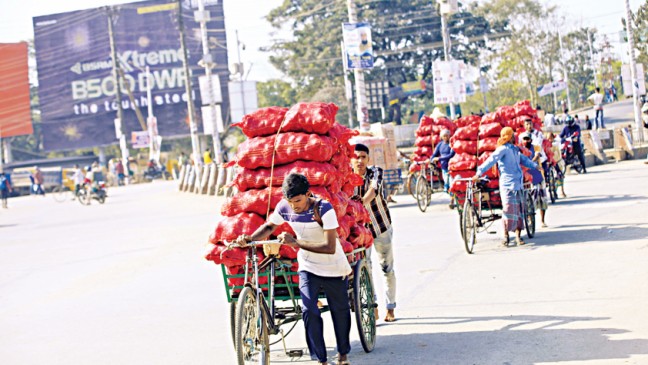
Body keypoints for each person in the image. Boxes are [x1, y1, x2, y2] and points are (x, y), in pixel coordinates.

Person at [236, 173, 352, 365]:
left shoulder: (324, 209)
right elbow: (269, 227)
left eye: (297, 200)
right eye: (290, 201)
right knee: (308, 310)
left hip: (333, 266)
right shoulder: (284, 207)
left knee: (340, 311)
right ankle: (321, 359)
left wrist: (295, 243)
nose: (294, 206)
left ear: (308, 194)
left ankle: (343, 354)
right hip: (308, 266)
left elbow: (330, 247)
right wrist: (249, 238)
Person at [351, 144, 397, 322]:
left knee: (387, 268)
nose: (360, 160)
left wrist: (360, 202)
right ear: (351, 159)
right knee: (366, 269)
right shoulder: (347, 178)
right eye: (356, 157)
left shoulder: (375, 172)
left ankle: (390, 307)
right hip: (361, 232)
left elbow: (374, 189)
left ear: (368, 159)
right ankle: (373, 305)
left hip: (380, 227)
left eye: (363, 157)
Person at [473, 127, 539, 246]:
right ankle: (506, 236)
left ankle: (518, 236)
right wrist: (479, 172)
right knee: (507, 209)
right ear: (509, 136)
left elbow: (524, 160)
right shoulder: (502, 149)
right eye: (512, 135)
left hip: (518, 184)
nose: (514, 137)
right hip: (507, 185)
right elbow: (491, 160)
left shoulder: (515, 150)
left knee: (519, 210)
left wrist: (534, 165)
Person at [520, 132, 548, 227]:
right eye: (524, 139)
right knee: (529, 201)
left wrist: (529, 163)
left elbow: (537, 156)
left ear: (531, 140)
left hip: (538, 176)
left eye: (528, 139)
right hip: (527, 179)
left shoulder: (536, 147)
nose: (526, 141)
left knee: (542, 199)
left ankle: (542, 220)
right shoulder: (520, 150)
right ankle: (530, 219)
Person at [430, 129, 456, 208]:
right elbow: (434, 154)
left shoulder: (452, 144)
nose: (445, 137)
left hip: (452, 168)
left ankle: (452, 201)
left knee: (452, 185)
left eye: (447, 136)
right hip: (444, 168)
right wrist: (431, 159)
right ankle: (451, 196)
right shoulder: (440, 145)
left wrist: (439, 159)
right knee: (447, 185)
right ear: (441, 137)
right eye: (444, 136)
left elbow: (451, 155)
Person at [547, 133, 567, 198]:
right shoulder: (546, 145)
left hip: (558, 162)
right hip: (550, 163)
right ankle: (554, 191)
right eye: (548, 138)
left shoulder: (556, 144)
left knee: (560, 177)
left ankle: (562, 191)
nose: (549, 140)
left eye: (550, 138)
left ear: (553, 138)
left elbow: (556, 155)